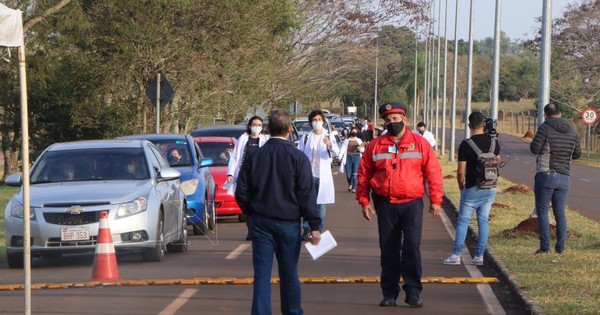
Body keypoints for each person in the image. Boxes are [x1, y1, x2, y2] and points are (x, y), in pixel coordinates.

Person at [356, 101, 443, 308]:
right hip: (385, 204)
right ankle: (389, 293)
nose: (391, 122)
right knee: (389, 250)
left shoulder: (420, 144)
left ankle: (413, 292)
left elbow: (434, 173)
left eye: (395, 119)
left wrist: (436, 200)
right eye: (387, 120)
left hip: (412, 203)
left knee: (412, 247)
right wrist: (364, 200)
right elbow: (363, 174)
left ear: (404, 119)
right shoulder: (376, 145)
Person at [235, 108, 321, 315]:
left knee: (262, 275)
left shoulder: (255, 157)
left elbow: (241, 192)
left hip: (261, 223)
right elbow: (307, 195)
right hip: (289, 224)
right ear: (290, 130)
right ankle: (292, 311)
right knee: (290, 273)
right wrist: (314, 226)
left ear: (267, 129)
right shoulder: (298, 158)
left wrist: (252, 213)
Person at [443, 112, 500, 266]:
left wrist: (462, 187)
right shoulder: (494, 143)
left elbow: (461, 171)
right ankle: (479, 256)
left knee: (463, 221)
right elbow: (497, 162)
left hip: (472, 187)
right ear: (484, 125)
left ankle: (456, 255)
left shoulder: (466, 144)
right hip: (490, 187)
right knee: (483, 221)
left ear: (468, 126)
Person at [530, 102, 581, 254]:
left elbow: (534, 148)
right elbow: (577, 154)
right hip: (564, 176)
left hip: (546, 174)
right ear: (560, 113)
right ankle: (560, 247)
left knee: (543, 210)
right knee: (560, 212)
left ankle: (545, 248)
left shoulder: (545, 128)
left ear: (545, 115)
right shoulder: (572, 131)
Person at [297, 109, 340, 240]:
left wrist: (330, 145)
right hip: (309, 175)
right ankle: (307, 229)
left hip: (323, 176)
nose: (317, 122)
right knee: (308, 203)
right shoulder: (305, 137)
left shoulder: (328, 136)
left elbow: (337, 153)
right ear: (310, 122)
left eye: (319, 120)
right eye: (314, 120)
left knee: (321, 205)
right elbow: (299, 155)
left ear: (323, 121)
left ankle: (318, 230)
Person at [227, 115, 269, 240]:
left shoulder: (266, 139)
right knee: (241, 197)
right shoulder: (244, 138)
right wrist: (230, 173)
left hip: (260, 176)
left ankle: (254, 230)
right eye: (254, 124)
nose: (257, 127)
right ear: (250, 126)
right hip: (244, 175)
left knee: (258, 201)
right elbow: (235, 156)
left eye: (259, 125)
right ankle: (251, 223)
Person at [339, 127, 364, 193]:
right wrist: (339, 157)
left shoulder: (359, 140)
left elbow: (363, 150)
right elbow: (343, 149)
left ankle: (354, 187)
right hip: (348, 157)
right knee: (349, 174)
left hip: (356, 157)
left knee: (355, 174)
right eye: (353, 131)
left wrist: (360, 148)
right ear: (351, 132)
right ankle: (350, 183)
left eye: (355, 132)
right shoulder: (347, 140)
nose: (354, 133)